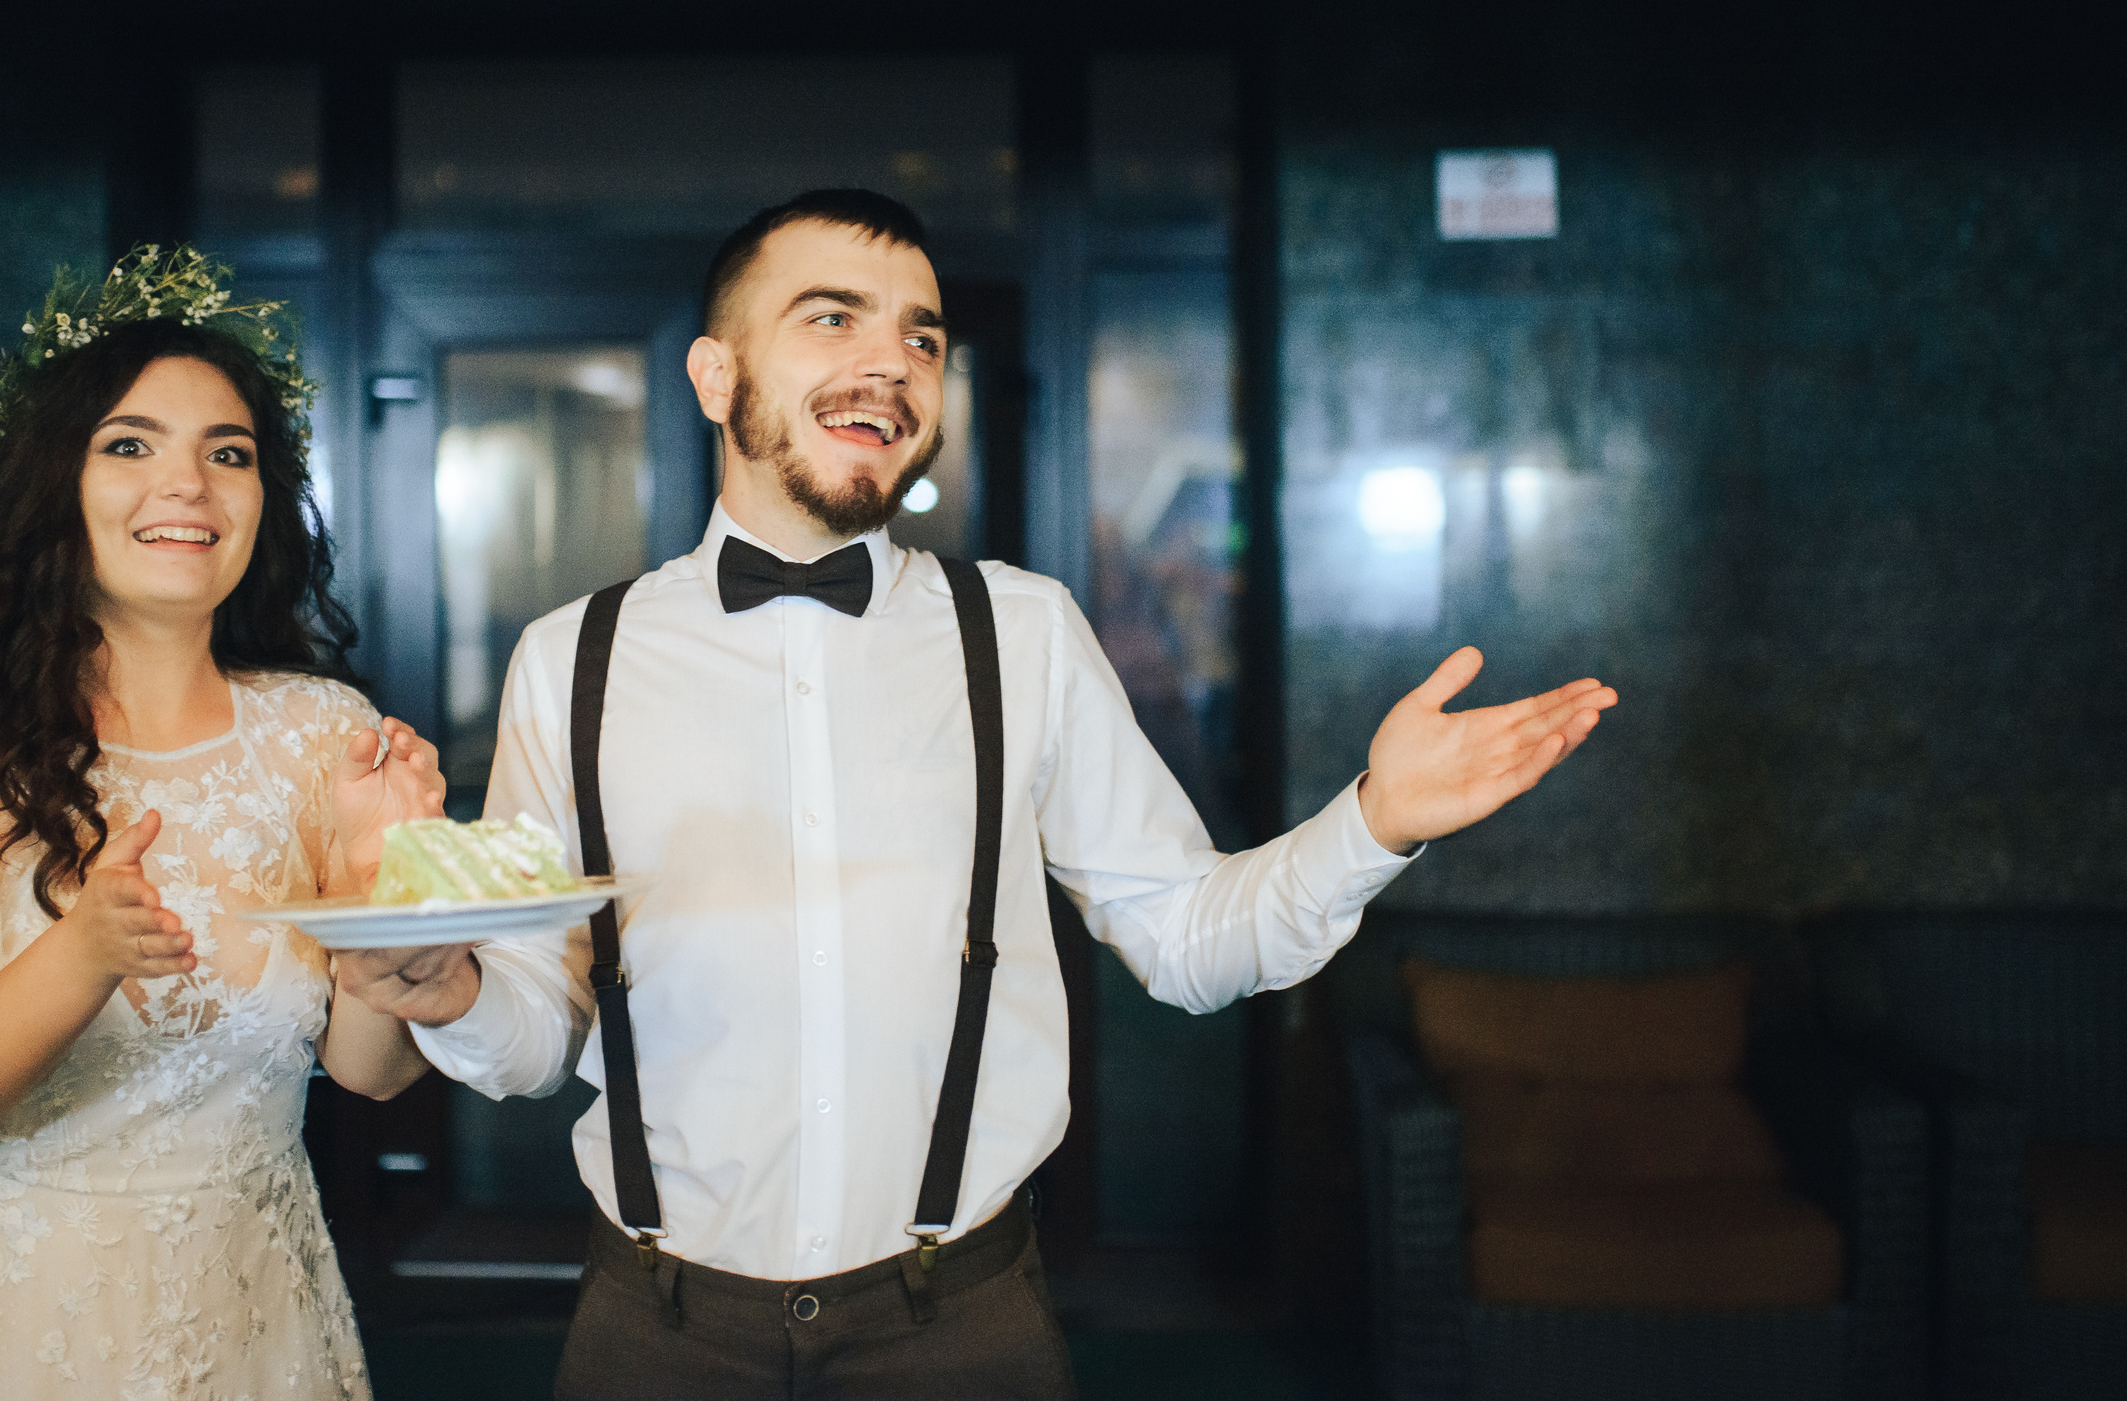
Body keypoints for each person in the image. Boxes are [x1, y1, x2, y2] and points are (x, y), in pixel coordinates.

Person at [337, 188, 1620, 1399]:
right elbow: (537, 1032)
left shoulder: (1025, 632)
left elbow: (1183, 939)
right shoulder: (572, 657)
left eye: (921, 336)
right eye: (831, 317)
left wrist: (1372, 820)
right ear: (716, 374)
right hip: (654, 1328)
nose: (890, 362)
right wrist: (443, 987)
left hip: (960, 1326)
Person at [0, 248, 446, 1401]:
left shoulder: (326, 732)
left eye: (226, 453)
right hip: (8, 1324)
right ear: (55, 488)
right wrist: (79, 957)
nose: (188, 484)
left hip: (256, 1309)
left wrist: (391, 903)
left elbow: (369, 1073)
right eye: (130, 444)